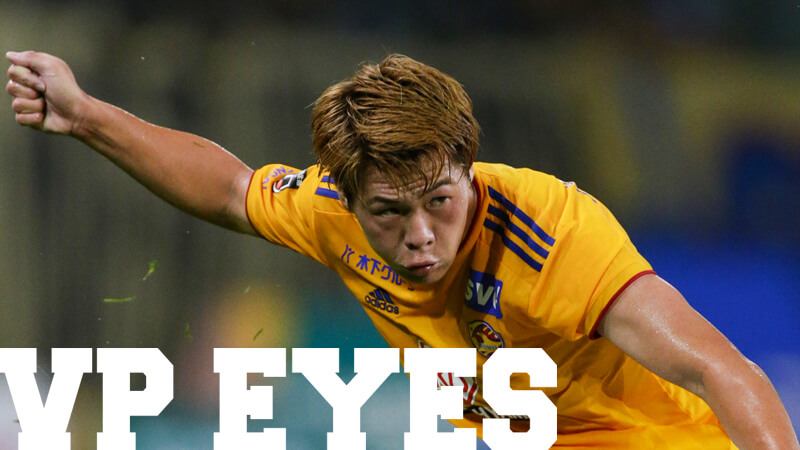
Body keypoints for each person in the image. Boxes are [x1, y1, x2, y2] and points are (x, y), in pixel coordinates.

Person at [5, 49, 799, 449]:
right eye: (389, 211)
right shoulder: (331, 210)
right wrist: (85, 117)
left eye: (440, 202)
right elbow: (228, 187)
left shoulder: (553, 232)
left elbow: (722, 371)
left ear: (467, 167)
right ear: (350, 198)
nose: (419, 235)